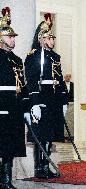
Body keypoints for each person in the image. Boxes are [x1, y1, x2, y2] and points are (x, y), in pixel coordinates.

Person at [24, 13, 67, 178]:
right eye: (49, 37)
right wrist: (34, 102)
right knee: (41, 135)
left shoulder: (55, 57)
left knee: (50, 134)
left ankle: (46, 165)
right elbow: (32, 80)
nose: (52, 40)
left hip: (54, 99)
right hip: (41, 98)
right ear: (41, 39)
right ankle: (39, 167)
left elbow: (60, 79)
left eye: (53, 37)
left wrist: (64, 100)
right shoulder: (33, 56)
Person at [0, 7, 26, 189]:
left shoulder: (17, 59)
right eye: (10, 37)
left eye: (14, 37)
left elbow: (22, 85)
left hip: (15, 105)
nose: (13, 39)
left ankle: (6, 180)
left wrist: (27, 106)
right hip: (1, 104)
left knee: (11, 144)